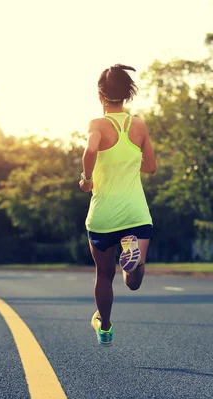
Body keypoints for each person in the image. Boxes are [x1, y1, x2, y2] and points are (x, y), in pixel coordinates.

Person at [79, 64, 157, 346]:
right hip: (136, 215)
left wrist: (87, 180)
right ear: (127, 96)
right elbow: (151, 166)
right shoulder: (138, 125)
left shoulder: (97, 125)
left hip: (103, 217)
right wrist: (130, 159)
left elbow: (90, 150)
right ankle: (133, 263)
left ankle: (106, 326)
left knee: (103, 275)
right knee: (132, 282)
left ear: (100, 96)